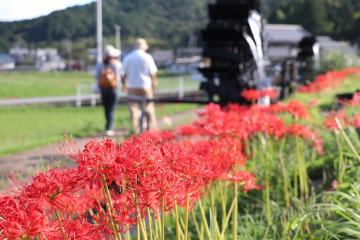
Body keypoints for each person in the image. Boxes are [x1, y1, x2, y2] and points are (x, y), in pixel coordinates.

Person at [122, 38, 158, 134]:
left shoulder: (128, 57)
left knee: (133, 109)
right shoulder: (147, 57)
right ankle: (151, 130)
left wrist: (125, 84)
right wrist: (154, 84)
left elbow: (122, 74)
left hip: (132, 87)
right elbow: (153, 73)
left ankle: (134, 130)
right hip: (145, 86)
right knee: (149, 107)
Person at [95, 45, 121, 136]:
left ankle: (107, 126)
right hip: (113, 89)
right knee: (111, 109)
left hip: (103, 89)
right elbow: (119, 77)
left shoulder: (100, 64)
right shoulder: (116, 64)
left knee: (106, 109)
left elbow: (96, 76)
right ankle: (109, 128)